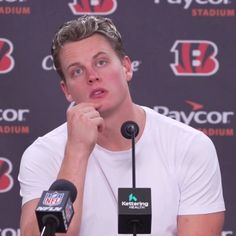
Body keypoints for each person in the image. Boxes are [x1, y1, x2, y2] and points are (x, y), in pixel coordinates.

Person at [18, 15, 225, 236]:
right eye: (77, 71)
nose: (92, 76)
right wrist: (76, 153)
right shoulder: (42, 154)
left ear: (126, 67)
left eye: (101, 62)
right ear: (66, 90)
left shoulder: (190, 146)